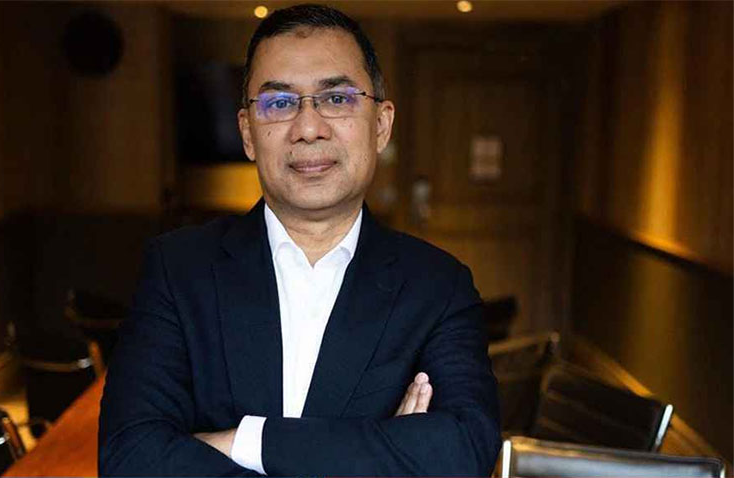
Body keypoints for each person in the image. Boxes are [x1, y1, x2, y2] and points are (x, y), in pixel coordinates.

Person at [98, 4, 500, 476]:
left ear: (381, 125)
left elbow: (462, 451)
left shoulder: (438, 286)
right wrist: (382, 455)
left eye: (337, 98)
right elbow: (131, 457)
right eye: (279, 103)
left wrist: (248, 441)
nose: (308, 129)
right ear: (248, 133)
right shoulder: (177, 269)